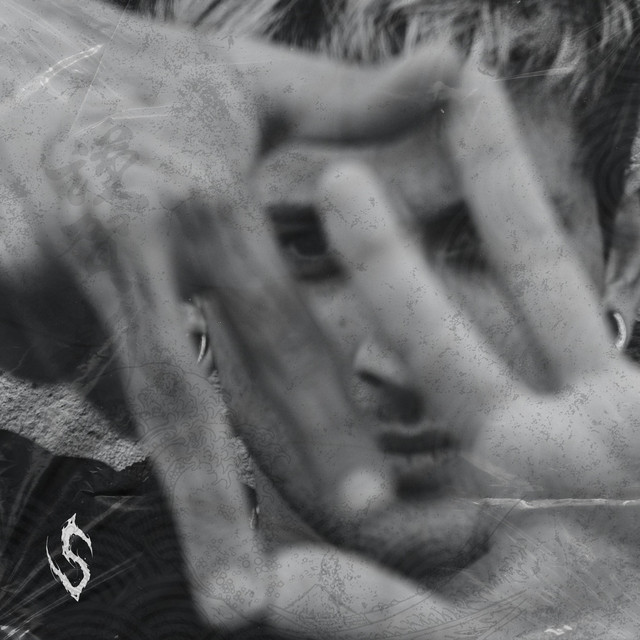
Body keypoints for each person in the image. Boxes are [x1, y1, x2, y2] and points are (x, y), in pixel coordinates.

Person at [4, 0, 640, 638]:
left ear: (625, 266)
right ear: (185, 284)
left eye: (486, 240)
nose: (400, 366)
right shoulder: (44, 554)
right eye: (309, 246)